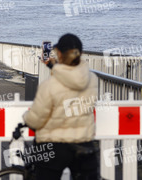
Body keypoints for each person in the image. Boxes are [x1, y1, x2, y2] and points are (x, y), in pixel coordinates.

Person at [23, 33, 99, 180]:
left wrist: (26, 118)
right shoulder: (92, 80)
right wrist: (54, 66)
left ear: (59, 54)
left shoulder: (50, 85)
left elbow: (36, 120)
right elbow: (71, 77)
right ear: (80, 54)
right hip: (83, 143)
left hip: (53, 146)